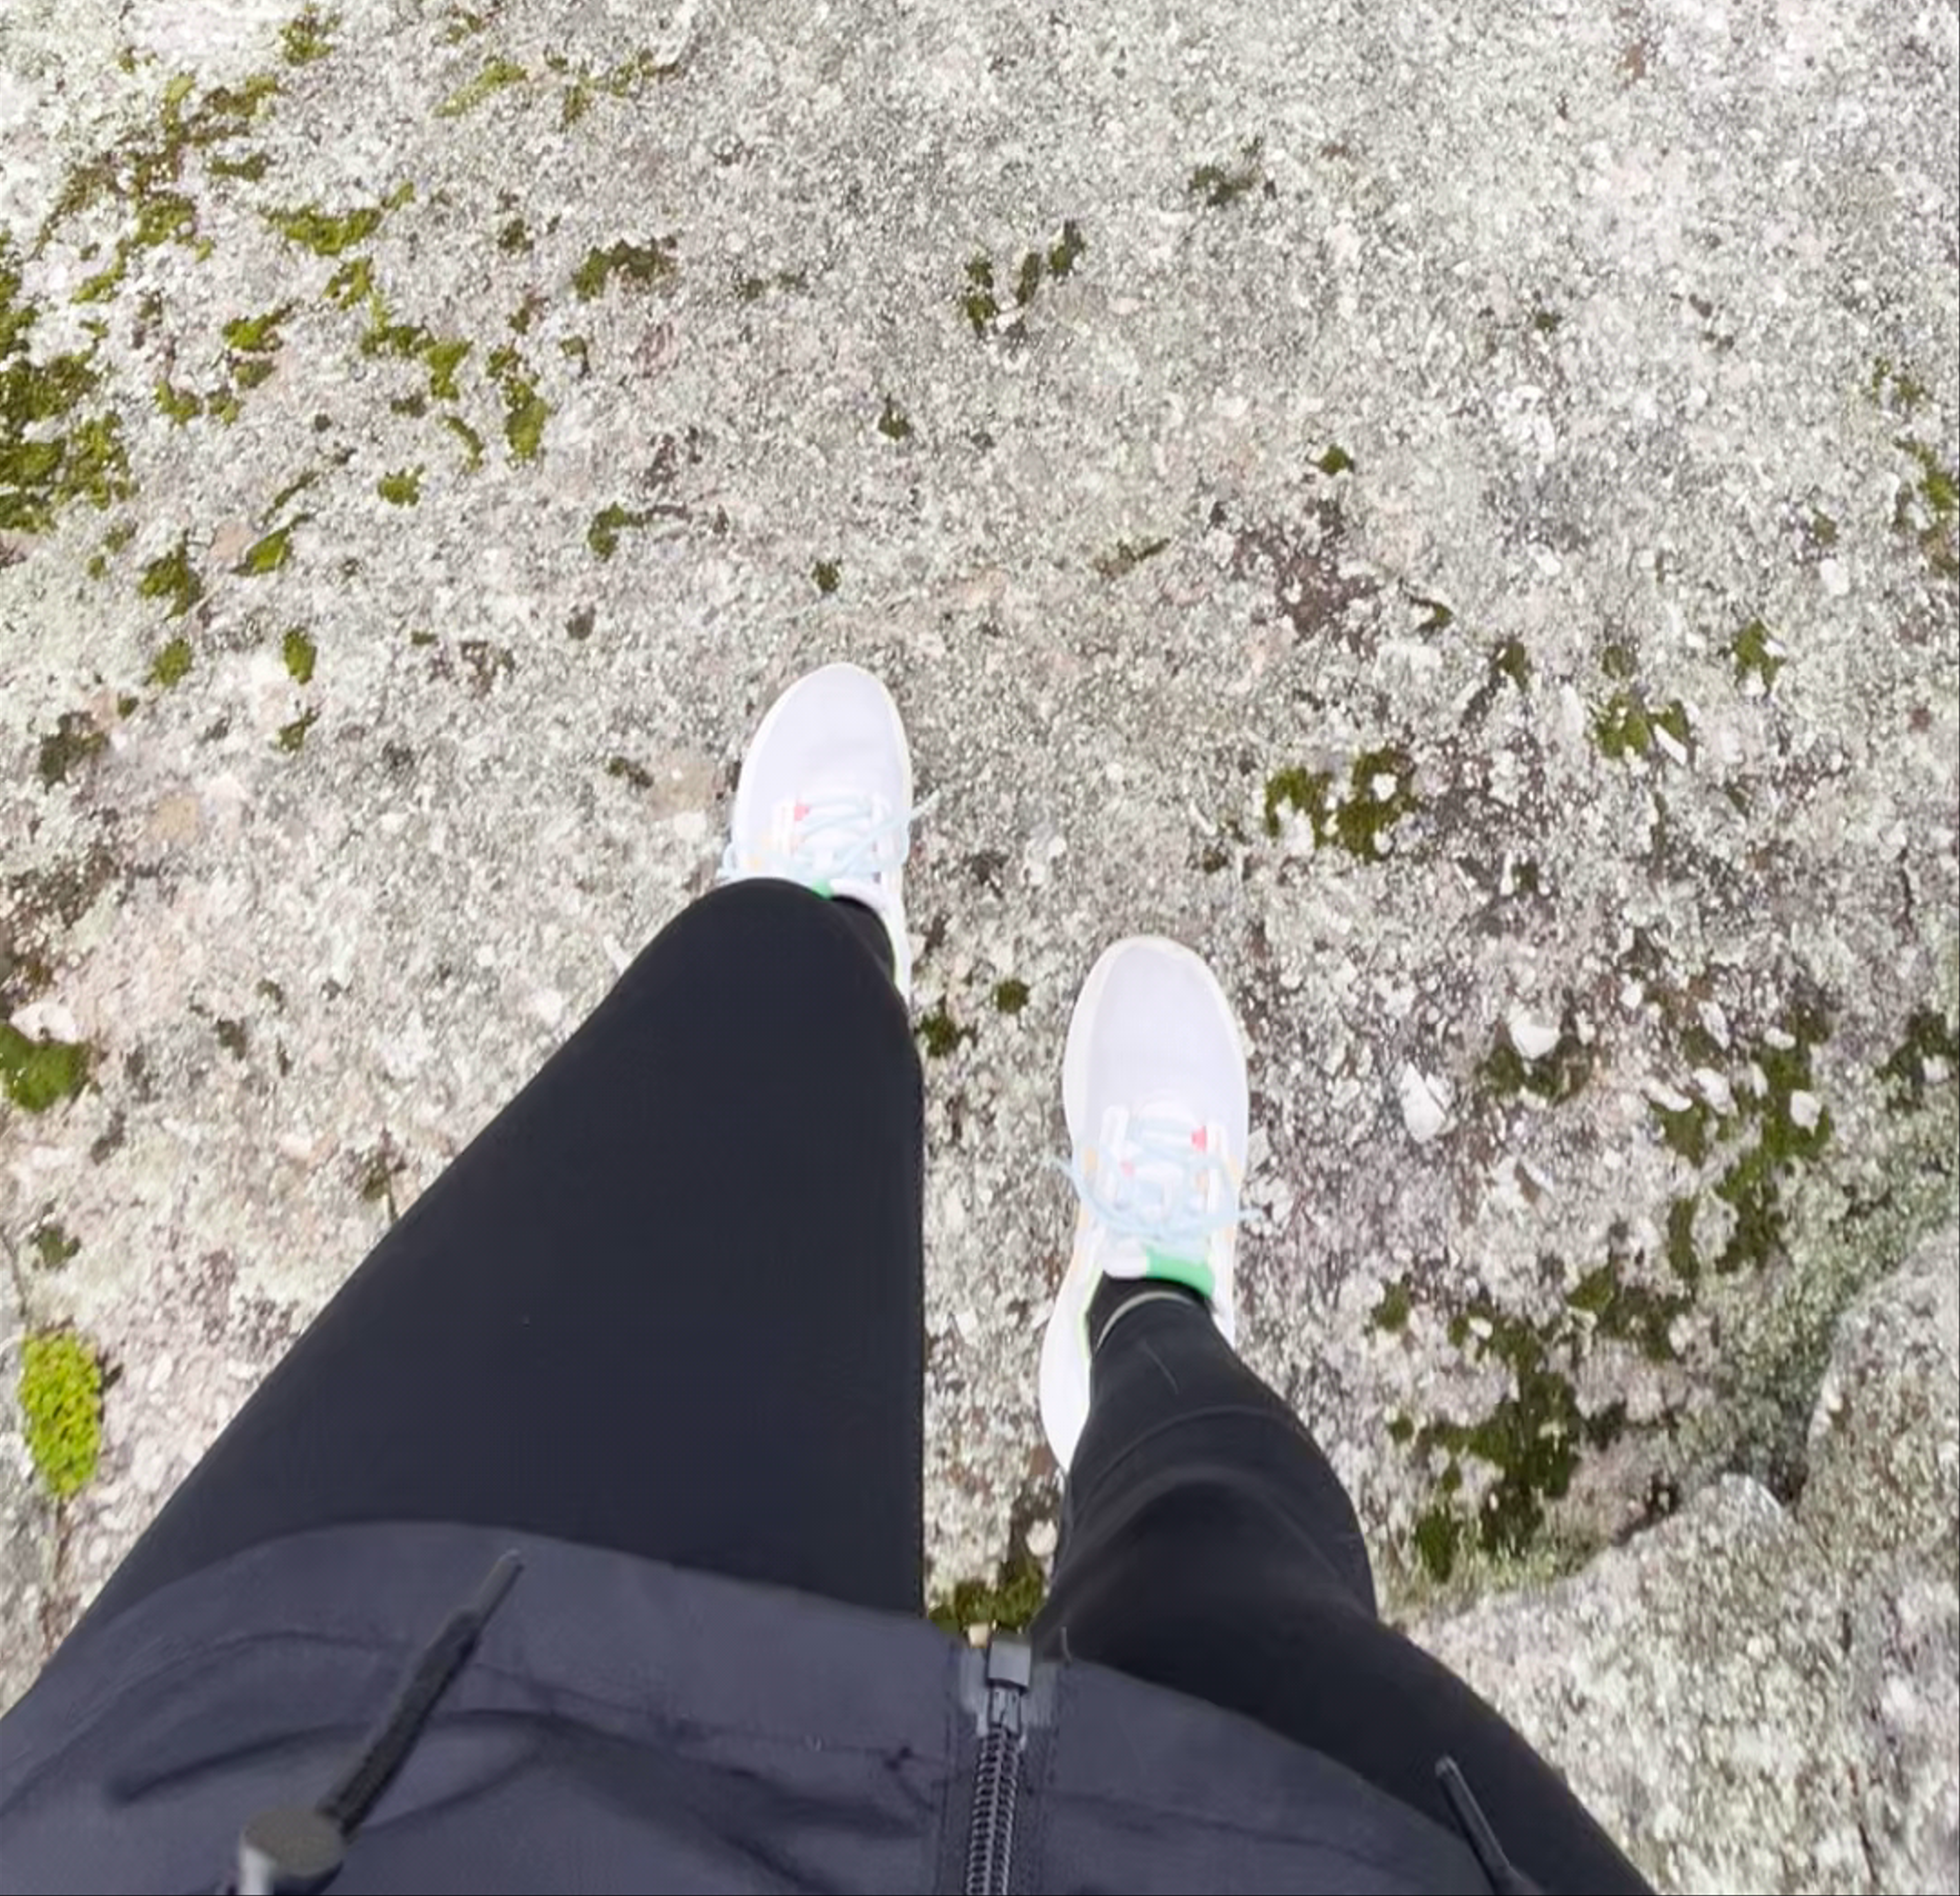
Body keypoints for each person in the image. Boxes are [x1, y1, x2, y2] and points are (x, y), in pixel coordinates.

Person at [0, 664, 1652, 1894]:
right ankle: (1139, 1330)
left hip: (343, 1791)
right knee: (1231, 1575)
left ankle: (823, 937)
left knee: (734, 1067)